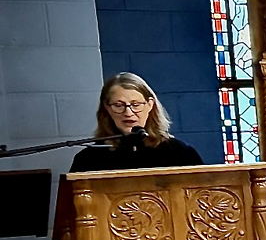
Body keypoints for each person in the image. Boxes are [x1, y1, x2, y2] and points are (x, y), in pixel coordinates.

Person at [71, 73, 203, 172]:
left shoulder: (180, 153)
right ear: (107, 108)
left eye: (135, 104)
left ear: (150, 105)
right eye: (118, 105)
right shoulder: (88, 159)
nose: (128, 112)